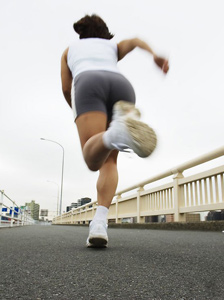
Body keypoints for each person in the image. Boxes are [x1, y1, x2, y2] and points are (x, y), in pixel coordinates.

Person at [60, 14, 169, 248]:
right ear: (105, 31)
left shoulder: (70, 50)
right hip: (122, 86)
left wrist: (79, 111)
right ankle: (99, 224)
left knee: (93, 159)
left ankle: (114, 134)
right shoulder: (112, 46)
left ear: (81, 33)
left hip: (88, 83)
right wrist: (154, 55)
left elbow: (67, 87)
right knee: (109, 162)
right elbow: (136, 40)